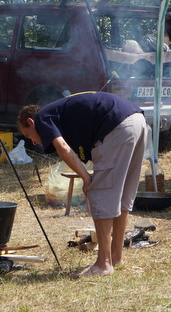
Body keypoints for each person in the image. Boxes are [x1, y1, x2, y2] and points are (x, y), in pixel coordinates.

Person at [17, 91, 147, 277]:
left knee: (100, 193)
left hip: (116, 126)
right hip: (137, 121)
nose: (34, 142)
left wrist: (87, 179)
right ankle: (116, 256)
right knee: (121, 195)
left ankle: (104, 264)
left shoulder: (43, 117)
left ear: (30, 122)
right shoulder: (61, 114)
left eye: (29, 136)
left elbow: (63, 148)